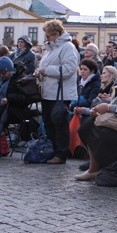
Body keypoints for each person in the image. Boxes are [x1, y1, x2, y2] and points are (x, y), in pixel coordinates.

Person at [34, 19, 79, 164]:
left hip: (61, 93)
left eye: (48, 35)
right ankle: (54, 150)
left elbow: (68, 70)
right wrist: (40, 73)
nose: (46, 38)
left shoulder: (67, 47)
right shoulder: (50, 49)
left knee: (59, 122)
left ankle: (61, 153)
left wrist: (45, 71)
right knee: (48, 122)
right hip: (48, 92)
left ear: (57, 34)